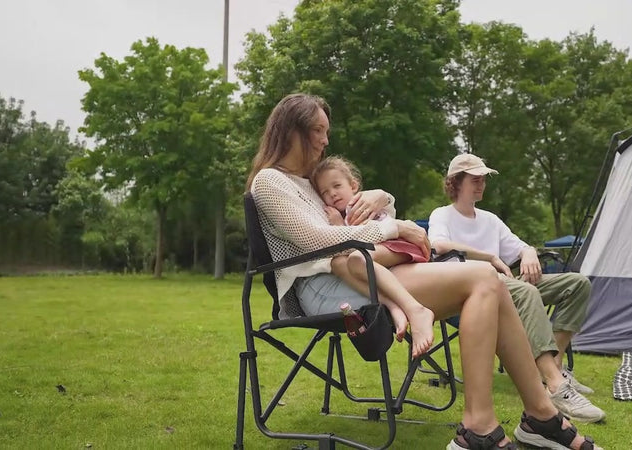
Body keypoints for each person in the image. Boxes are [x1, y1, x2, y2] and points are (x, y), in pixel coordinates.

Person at [247, 93, 602, 449]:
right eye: (318, 131)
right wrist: (396, 228)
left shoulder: (312, 181)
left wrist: (382, 197)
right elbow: (316, 240)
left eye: (326, 131)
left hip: (359, 269)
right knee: (482, 278)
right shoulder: (270, 182)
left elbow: (359, 210)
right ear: (291, 130)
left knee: (488, 279)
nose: (325, 140)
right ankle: (493, 427)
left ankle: (536, 416)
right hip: (323, 287)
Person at [427, 153, 605, 423]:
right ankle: (556, 386)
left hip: (507, 286)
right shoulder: (443, 215)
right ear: (456, 183)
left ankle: (554, 365)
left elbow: (519, 247)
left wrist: (530, 252)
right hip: (471, 295)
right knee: (526, 291)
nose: (481, 185)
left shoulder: (490, 220)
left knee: (577, 284)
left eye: (483, 180)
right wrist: (489, 258)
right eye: (474, 180)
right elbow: (439, 247)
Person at [310, 155, 434, 358]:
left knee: (358, 259)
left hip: (401, 245)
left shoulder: (360, 205)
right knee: (338, 263)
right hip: (386, 252)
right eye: (325, 192)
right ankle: (394, 307)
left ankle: (416, 310)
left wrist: (339, 226)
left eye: (336, 186)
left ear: (353, 185)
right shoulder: (345, 213)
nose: (332, 194)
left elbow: (361, 238)